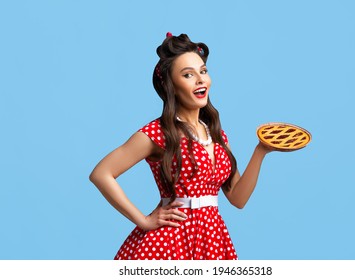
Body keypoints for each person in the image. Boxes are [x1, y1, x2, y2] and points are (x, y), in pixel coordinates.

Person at [89, 32, 272, 260]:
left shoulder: (217, 135)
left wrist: (261, 151)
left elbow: (238, 199)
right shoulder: (159, 133)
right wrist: (144, 220)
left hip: (212, 240)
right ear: (171, 86)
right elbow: (101, 173)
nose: (200, 80)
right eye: (188, 75)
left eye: (203, 71)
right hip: (169, 243)